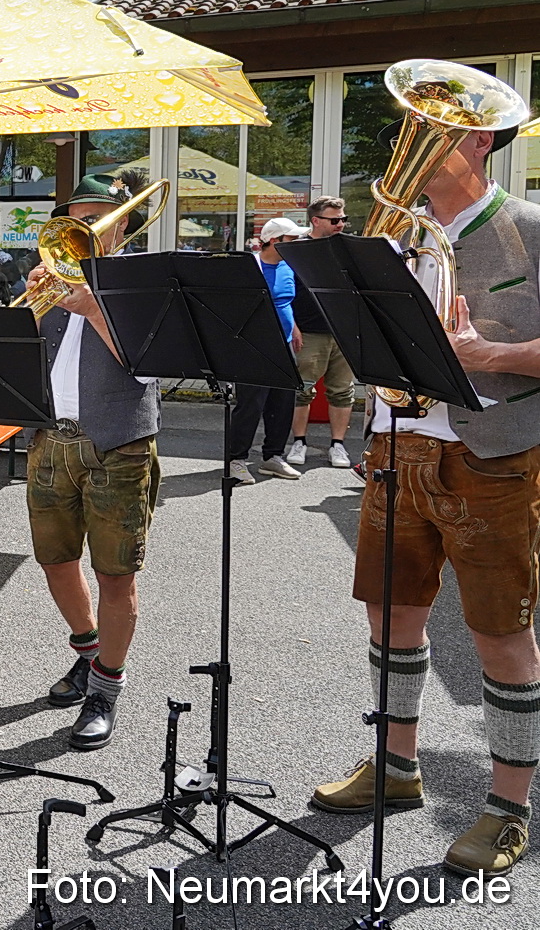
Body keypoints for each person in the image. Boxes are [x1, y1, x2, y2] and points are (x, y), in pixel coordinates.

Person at [310, 117, 540, 877]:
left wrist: (490, 353)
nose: (404, 147)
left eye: (430, 133)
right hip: (399, 443)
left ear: (479, 144)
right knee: (391, 610)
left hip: (493, 454)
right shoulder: (401, 238)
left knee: (499, 632)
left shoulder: (528, 226)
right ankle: (395, 763)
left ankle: (509, 808)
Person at [23, 172, 162, 751]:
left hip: (118, 443)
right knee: (56, 561)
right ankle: (87, 651)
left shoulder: (144, 282)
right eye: (76, 217)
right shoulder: (54, 276)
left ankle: (106, 686)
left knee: (115, 574)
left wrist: (93, 309)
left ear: (121, 221)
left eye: (95, 217)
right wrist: (30, 305)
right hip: (51, 439)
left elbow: (152, 367)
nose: (83, 228)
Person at [227, 218, 305, 485]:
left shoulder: (289, 266)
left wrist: (294, 328)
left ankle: (273, 456)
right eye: (291, 240)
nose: (297, 244)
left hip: (284, 344)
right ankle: (235, 460)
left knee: (283, 403)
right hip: (253, 347)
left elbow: (286, 301)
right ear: (274, 241)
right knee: (250, 405)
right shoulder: (250, 266)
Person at [286, 196, 356, 469]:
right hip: (309, 330)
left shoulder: (347, 247)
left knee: (342, 390)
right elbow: (284, 292)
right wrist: (293, 326)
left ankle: (337, 445)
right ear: (316, 221)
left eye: (343, 219)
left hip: (343, 332)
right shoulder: (296, 248)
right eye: (335, 220)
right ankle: (299, 441)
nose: (341, 224)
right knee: (302, 389)